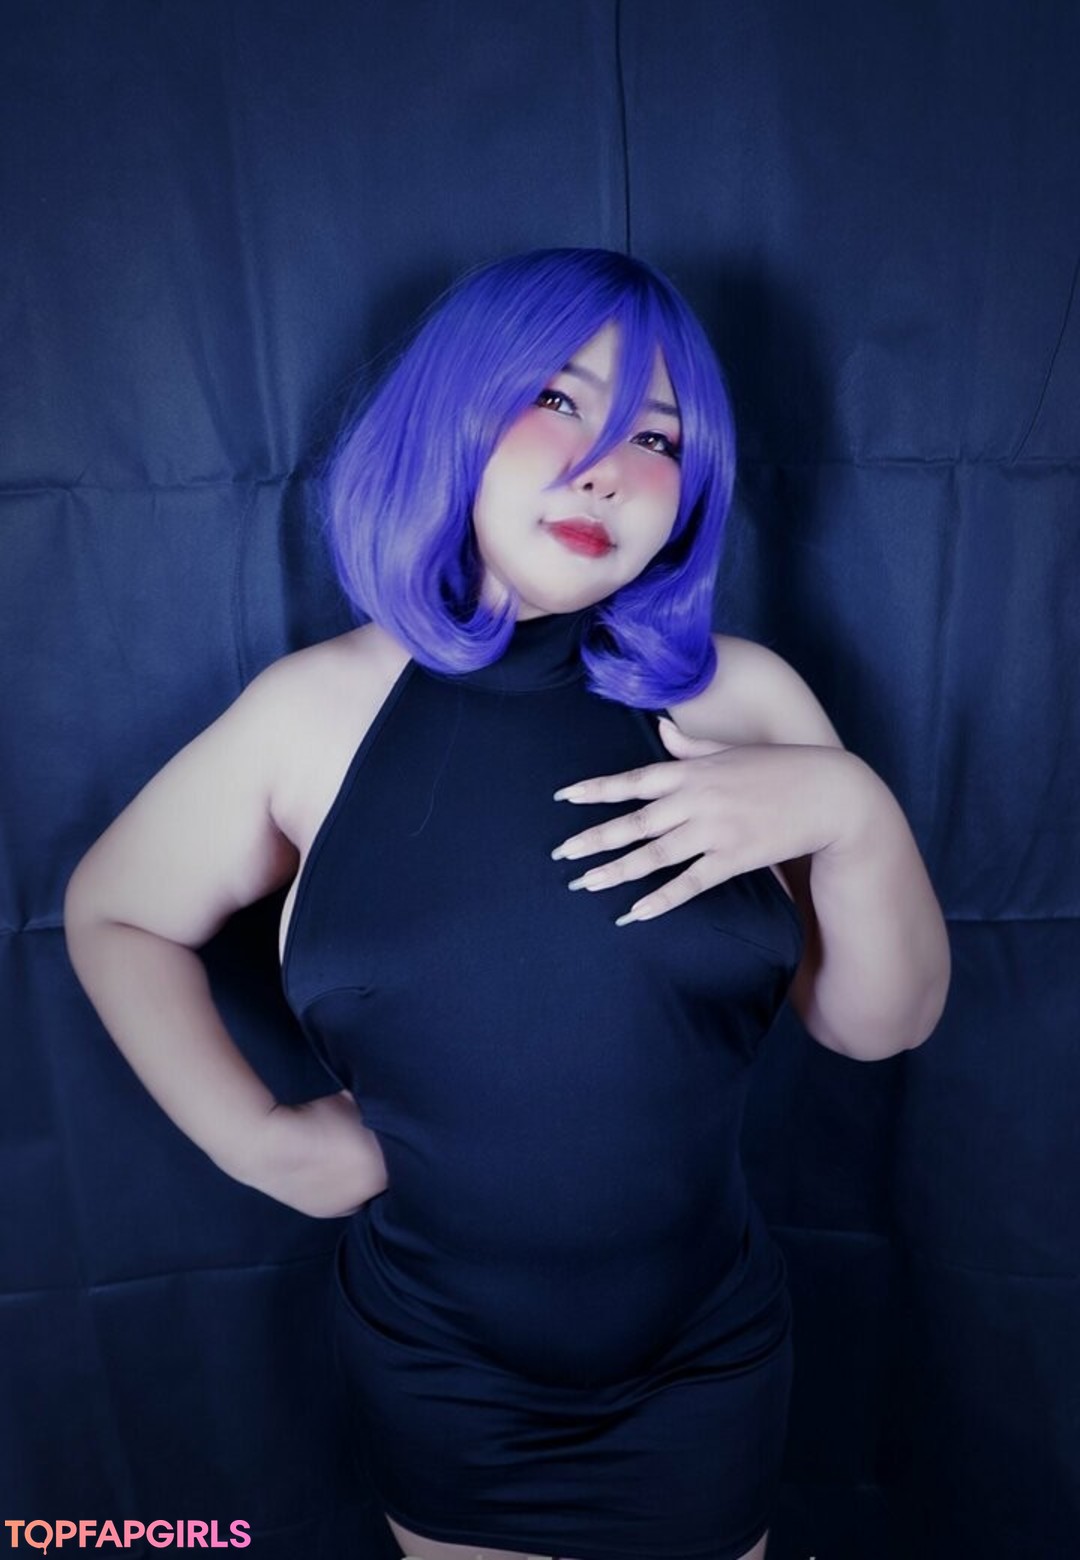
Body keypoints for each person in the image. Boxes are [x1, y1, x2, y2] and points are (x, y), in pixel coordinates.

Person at [63, 248, 951, 1560]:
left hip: (705, 1363)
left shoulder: (746, 700)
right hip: (442, 1370)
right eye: (557, 401)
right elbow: (114, 914)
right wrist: (262, 1144)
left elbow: (878, 1027)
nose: (605, 466)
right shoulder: (311, 716)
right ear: (450, 415)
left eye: (657, 437)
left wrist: (854, 811)